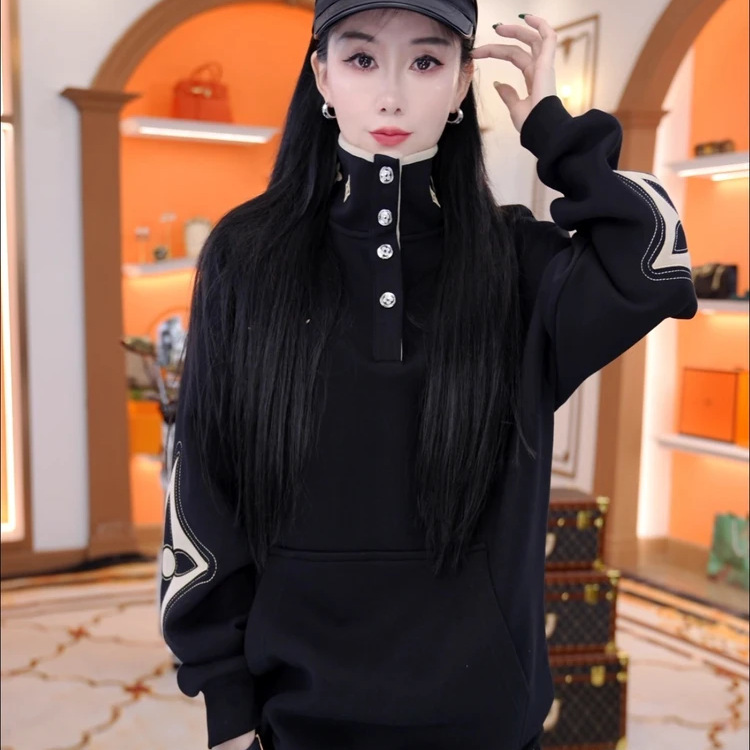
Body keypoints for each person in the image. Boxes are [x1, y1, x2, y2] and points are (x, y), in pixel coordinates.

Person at [158, 1, 697, 748]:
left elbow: (655, 261)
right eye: (361, 59)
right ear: (322, 76)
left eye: (426, 61)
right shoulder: (245, 258)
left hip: (485, 721)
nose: (391, 95)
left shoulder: (516, 265)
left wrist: (555, 131)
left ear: (461, 84)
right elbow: (204, 485)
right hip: (299, 720)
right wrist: (226, 704)